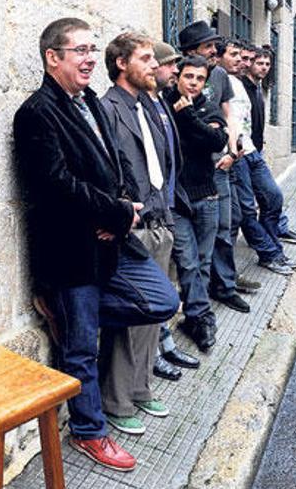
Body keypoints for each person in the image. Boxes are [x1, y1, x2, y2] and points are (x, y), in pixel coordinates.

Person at [13, 17, 179, 471]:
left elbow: (116, 166)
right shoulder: (36, 113)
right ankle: (89, 432)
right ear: (53, 58)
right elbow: (56, 185)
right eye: (79, 51)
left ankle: (64, 317)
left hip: (110, 241)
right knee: (83, 350)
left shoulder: (89, 99)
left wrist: (121, 208)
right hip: (70, 252)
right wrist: (115, 212)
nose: (90, 59)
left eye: (92, 50)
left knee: (162, 300)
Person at [98, 32, 180, 435]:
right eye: (145, 58)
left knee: (154, 317)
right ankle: (116, 399)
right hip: (132, 229)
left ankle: (141, 386)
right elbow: (108, 173)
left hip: (160, 222)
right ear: (121, 64)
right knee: (130, 317)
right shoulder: (107, 108)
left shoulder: (150, 105)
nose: (155, 65)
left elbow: (162, 163)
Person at [178, 24, 254, 313]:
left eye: (214, 45)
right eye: (208, 46)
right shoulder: (180, 76)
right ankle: (198, 298)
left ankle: (224, 287)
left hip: (220, 163)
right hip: (192, 170)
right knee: (192, 243)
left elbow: (229, 114)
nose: (215, 51)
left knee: (226, 224)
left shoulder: (220, 74)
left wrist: (233, 150)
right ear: (189, 52)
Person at [165, 55, 229, 352]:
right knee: (188, 262)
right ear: (178, 76)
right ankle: (202, 317)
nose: (193, 83)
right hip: (177, 200)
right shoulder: (164, 104)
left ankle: (195, 317)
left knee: (202, 263)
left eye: (199, 79)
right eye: (188, 76)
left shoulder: (207, 107)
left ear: (205, 81)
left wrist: (189, 115)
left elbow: (216, 141)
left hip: (207, 197)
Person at [150, 42, 201, 381]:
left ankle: (165, 341)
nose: (174, 73)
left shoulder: (162, 103)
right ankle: (154, 352)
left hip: (169, 208)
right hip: (151, 215)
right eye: (170, 66)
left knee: (167, 282)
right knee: (154, 289)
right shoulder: (145, 104)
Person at [223, 43, 296, 275]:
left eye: (247, 58)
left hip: (252, 150)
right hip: (238, 154)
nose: (243, 62)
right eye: (237, 56)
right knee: (246, 209)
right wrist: (231, 150)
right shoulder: (218, 79)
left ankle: (273, 245)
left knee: (274, 197)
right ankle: (269, 253)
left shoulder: (244, 84)